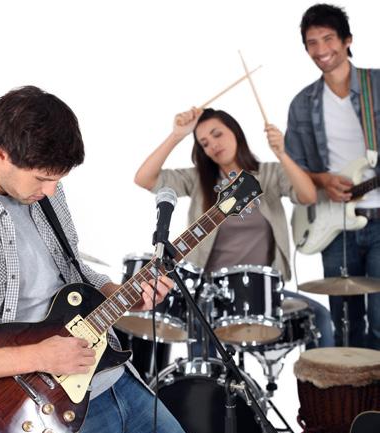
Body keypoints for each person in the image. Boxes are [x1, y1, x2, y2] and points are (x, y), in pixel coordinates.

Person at [0, 86, 224, 433]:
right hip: (51, 407)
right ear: (0, 152)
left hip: (117, 382)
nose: (51, 191)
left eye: (59, 180)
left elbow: (71, 272)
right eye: (42, 179)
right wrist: (42, 352)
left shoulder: (47, 192)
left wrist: (120, 291)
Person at [134, 106, 334, 349]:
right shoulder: (198, 179)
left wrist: (282, 153)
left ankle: (319, 387)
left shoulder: (269, 174)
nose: (213, 145)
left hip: (264, 294)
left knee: (320, 317)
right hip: (210, 295)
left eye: (217, 134)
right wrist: (177, 134)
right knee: (206, 362)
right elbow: (144, 178)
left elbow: (309, 195)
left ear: (235, 132)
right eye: (205, 143)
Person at [285, 3, 380, 349]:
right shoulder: (301, 104)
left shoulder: (377, 85)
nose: (322, 50)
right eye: (312, 42)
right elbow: (293, 170)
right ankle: (357, 404)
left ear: (347, 40)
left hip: (379, 221)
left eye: (328, 38)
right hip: (334, 225)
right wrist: (323, 180)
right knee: (346, 329)